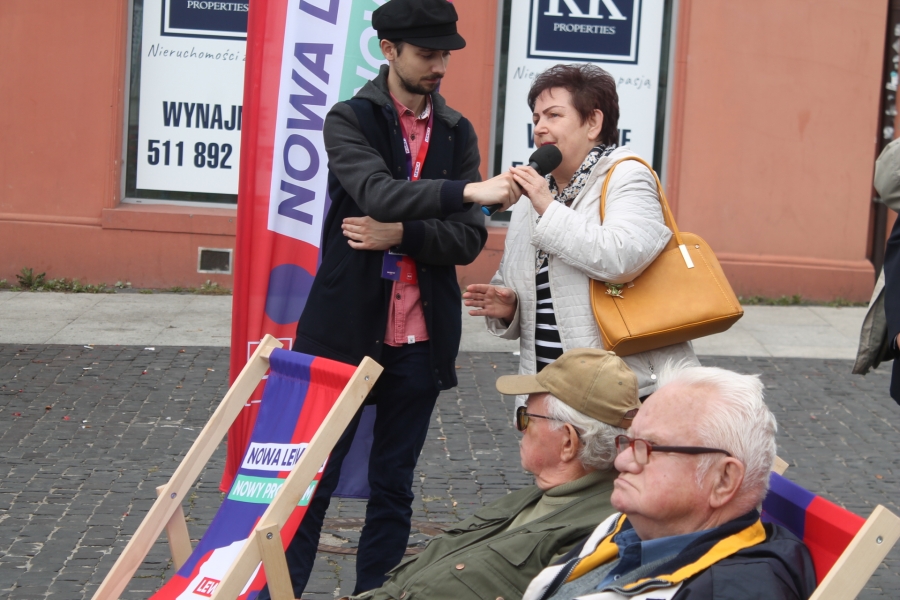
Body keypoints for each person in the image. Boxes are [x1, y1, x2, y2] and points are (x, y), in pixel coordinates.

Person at [270, 0, 521, 597]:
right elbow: (377, 193)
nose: (439, 66)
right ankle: (284, 592)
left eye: (445, 55)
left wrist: (400, 234)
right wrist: (467, 192)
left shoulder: (457, 131)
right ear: (389, 50)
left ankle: (374, 595)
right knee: (310, 482)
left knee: (394, 486)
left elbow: (466, 240)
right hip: (343, 330)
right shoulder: (349, 119)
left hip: (420, 338)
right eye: (427, 54)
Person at [463, 63, 697, 399]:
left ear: (593, 123)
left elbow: (621, 258)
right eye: (536, 118)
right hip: (545, 387)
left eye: (554, 115)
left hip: (623, 394)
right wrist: (511, 306)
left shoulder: (626, 175)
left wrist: (547, 207)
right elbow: (531, 283)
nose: (540, 128)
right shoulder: (536, 193)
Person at [347, 348, 641, 600]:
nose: (518, 426)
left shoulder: (597, 532)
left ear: (568, 442)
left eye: (526, 417)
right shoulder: (542, 495)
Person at [523, 364, 816, 600]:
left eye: (650, 448)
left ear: (724, 480)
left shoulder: (733, 589)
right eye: (629, 442)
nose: (621, 461)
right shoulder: (639, 528)